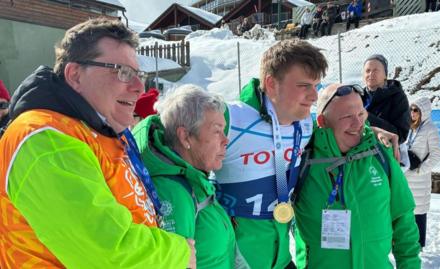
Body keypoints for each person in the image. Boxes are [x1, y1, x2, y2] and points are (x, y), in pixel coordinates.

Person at [0, 18, 195, 268]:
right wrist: (179, 253)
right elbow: (108, 254)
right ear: (75, 75)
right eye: (122, 72)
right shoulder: (44, 138)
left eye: (139, 74)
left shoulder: (103, 130)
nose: (139, 87)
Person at [215, 39, 328, 269]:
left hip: (281, 257)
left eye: (316, 86)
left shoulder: (305, 124)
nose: (314, 96)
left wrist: (370, 132)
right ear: (271, 83)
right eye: (304, 85)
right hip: (236, 258)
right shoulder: (232, 119)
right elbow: (174, 129)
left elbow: (344, 131)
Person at [293, 84, 421, 268]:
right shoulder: (302, 158)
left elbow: (403, 219)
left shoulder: (381, 154)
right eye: (347, 117)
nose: (358, 124)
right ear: (322, 121)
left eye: (361, 114)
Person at [132, 85, 248, 268]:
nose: (226, 141)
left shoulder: (194, 180)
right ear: (185, 137)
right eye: (217, 131)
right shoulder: (172, 193)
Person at [405, 97, 440, 248]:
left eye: (416, 110)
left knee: (419, 212)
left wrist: (421, 170)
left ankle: (419, 245)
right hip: (406, 176)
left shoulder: (430, 129)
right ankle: (407, 243)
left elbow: (436, 155)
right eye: (411, 110)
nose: (412, 113)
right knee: (406, 211)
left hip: (419, 179)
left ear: (423, 112)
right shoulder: (410, 128)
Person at [362, 54, 410, 144]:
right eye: (367, 71)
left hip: (384, 153)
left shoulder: (397, 97)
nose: (371, 74)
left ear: (385, 75)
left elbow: (400, 135)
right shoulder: (357, 96)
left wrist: (367, 117)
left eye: (376, 70)